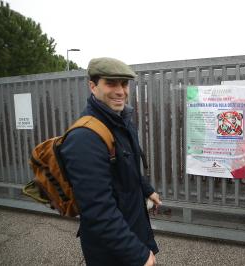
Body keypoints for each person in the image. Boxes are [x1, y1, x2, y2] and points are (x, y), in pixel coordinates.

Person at [59, 57, 161, 266]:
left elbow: (129, 167)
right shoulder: (84, 137)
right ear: (93, 86)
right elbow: (97, 210)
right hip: (111, 249)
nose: (120, 91)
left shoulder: (122, 121)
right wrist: (137, 254)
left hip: (134, 227)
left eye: (124, 84)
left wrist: (147, 189)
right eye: (111, 83)